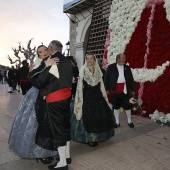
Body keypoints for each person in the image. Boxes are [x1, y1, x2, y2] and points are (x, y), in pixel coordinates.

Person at [8, 45, 58, 164]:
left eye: (45, 50)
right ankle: (40, 153)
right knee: (37, 123)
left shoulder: (54, 61)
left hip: (51, 95)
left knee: (49, 124)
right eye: (40, 52)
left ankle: (49, 150)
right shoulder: (37, 64)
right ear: (38, 54)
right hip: (37, 96)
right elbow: (37, 81)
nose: (44, 53)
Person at [28, 40, 73, 170]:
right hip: (66, 97)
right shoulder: (66, 60)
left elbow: (39, 82)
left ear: (51, 49)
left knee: (58, 129)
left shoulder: (51, 60)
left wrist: (32, 72)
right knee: (65, 126)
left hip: (55, 99)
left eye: (47, 48)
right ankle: (67, 155)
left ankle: (62, 163)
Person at [71, 53, 115, 147]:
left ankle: (98, 137)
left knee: (100, 117)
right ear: (85, 60)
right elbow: (79, 87)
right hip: (87, 96)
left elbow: (101, 85)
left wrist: (104, 96)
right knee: (89, 118)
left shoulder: (99, 70)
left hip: (97, 95)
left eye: (91, 58)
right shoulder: (82, 70)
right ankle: (90, 139)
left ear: (94, 60)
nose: (90, 60)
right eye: (88, 59)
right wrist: (79, 100)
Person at [104, 53, 135, 128]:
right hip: (114, 91)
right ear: (118, 59)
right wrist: (107, 89)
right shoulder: (111, 67)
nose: (124, 60)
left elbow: (131, 79)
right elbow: (106, 79)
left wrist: (133, 89)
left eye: (125, 58)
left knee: (127, 106)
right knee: (116, 106)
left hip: (125, 91)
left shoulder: (127, 68)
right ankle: (117, 122)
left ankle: (129, 121)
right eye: (123, 58)